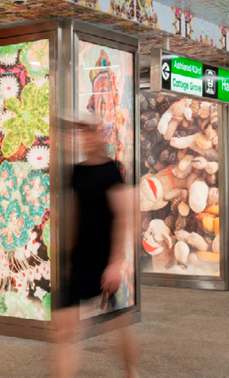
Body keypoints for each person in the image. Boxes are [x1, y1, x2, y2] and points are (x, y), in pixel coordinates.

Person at [53, 114, 140, 378]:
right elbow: (73, 214)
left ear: (99, 135)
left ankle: (131, 371)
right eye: (81, 133)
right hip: (79, 260)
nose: (85, 138)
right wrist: (65, 256)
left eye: (89, 133)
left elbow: (124, 218)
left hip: (103, 262)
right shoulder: (77, 171)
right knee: (65, 330)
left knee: (120, 323)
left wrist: (115, 264)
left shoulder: (112, 171)